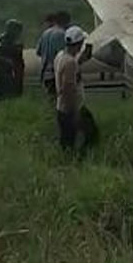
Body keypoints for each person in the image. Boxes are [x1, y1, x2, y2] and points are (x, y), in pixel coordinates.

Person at [54, 25, 98, 155]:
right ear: (78, 44)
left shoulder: (61, 56)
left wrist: (89, 47)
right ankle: (78, 159)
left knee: (68, 140)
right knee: (87, 136)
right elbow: (68, 88)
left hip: (62, 107)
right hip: (71, 108)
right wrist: (74, 112)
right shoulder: (70, 63)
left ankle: (71, 161)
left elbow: (80, 60)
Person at [36, 11, 70, 97]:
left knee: (50, 100)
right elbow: (64, 56)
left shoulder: (45, 33)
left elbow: (38, 52)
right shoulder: (62, 34)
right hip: (56, 73)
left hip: (44, 73)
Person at [0, 19, 25, 98]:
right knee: (5, 89)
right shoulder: (1, 39)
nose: (18, 33)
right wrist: (7, 61)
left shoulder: (16, 40)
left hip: (13, 69)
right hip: (2, 68)